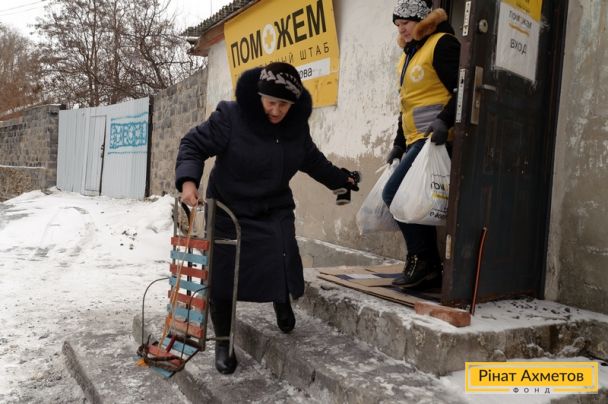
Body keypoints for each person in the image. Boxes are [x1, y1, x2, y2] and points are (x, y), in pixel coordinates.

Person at [175, 62, 359, 374]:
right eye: (271, 102)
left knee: (281, 254)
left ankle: (281, 299)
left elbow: (313, 161)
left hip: (273, 206)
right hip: (229, 208)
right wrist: (189, 182)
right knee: (223, 274)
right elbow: (193, 144)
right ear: (259, 96)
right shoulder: (231, 116)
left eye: (284, 105)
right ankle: (224, 342)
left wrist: (341, 180)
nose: (276, 111)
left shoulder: (295, 128)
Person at [382, 0, 460, 289]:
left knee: (394, 194)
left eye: (405, 23)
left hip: (436, 139)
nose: (401, 30)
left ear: (422, 21)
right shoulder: (410, 54)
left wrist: (445, 121)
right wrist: (398, 143)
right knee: (411, 201)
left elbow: (462, 88)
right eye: (397, 26)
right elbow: (408, 105)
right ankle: (426, 266)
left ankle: (423, 261)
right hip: (416, 140)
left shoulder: (442, 44)